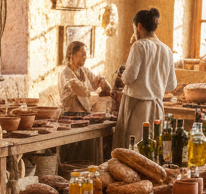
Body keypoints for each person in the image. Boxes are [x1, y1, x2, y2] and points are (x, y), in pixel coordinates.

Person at [117, 8, 176, 150]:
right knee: (153, 146)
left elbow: (129, 77)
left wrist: (122, 74)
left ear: (139, 26)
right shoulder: (167, 50)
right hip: (157, 105)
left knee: (135, 148)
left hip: (137, 106)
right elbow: (171, 85)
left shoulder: (140, 45)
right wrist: (154, 82)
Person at [57, 40, 110, 115]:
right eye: (83, 55)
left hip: (84, 113)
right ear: (72, 56)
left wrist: (102, 81)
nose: (85, 57)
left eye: (85, 55)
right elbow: (78, 89)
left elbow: (96, 81)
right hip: (70, 115)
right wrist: (93, 93)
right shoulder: (65, 73)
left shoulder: (83, 70)